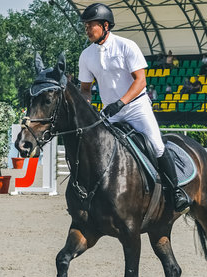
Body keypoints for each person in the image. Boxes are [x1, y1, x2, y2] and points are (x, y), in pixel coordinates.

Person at [78, 3, 191, 213]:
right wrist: (87, 109)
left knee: (157, 146)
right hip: (109, 112)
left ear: (105, 25)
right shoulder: (86, 55)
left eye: (90, 25)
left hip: (136, 108)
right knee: (98, 149)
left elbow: (140, 81)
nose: (86, 29)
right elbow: (85, 89)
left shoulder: (126, 46)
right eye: (85, 26)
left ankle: (176, 192)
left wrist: (120, 103)